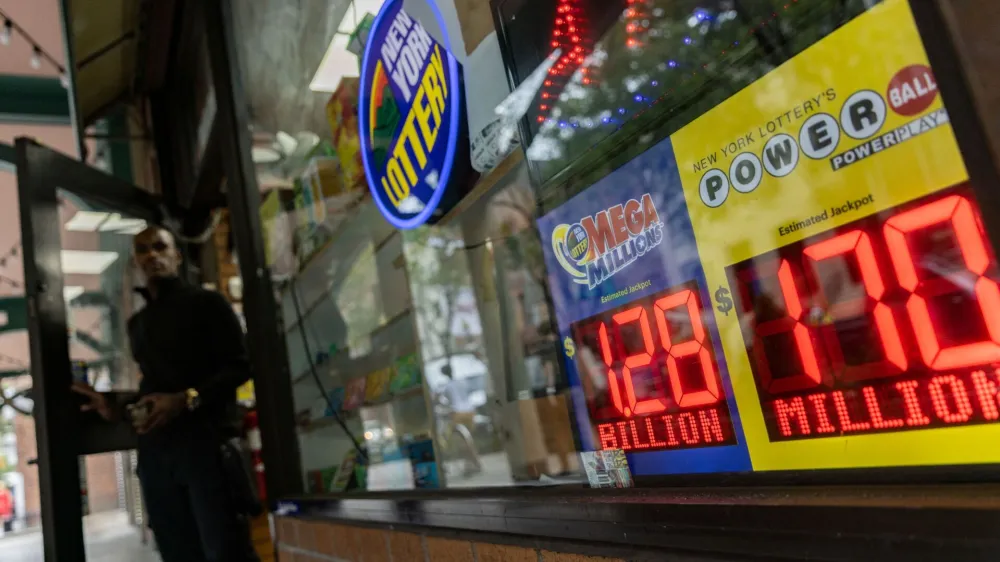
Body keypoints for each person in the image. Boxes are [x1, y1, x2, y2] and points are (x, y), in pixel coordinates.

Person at [72, 226, 259, 562]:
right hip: (157, 457)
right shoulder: (138, 324)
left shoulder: (208, 303)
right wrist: (115, 407)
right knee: (177, 553)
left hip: (207, 448)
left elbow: (241, 366)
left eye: (160, 247)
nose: (152, 255)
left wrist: (187, 398)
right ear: (136, 262)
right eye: (143, 250)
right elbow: (153, 388)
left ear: (177, 255)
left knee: (227, 552)